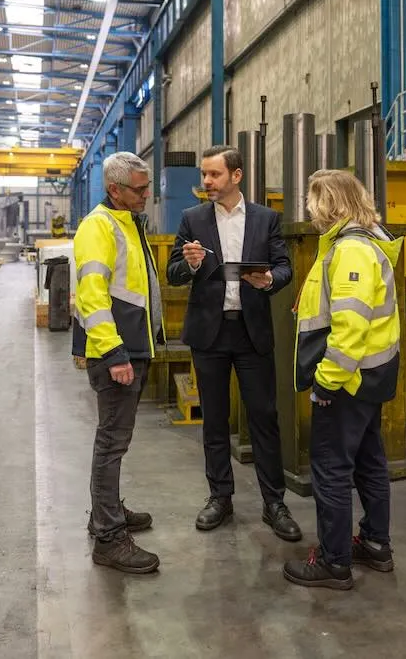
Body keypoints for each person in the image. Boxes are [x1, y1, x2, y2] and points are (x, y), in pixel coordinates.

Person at [166, 145, 302, 542]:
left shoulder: (265, 219)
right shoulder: (192, 219)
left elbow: (284, 268)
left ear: (236, 176)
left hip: (251, 330)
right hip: (209, 334)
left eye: (214, 175)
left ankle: (274, 503)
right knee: (214, 420)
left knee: (264, 417)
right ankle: (219, 497)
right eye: (204, 175)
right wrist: (189, 265)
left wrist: (270, 280)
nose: (206, 182)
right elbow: (174, 272)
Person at [282, 169, 403, 591]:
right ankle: (375, 544)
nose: (309, 209)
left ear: (330, 202)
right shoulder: (362, 243)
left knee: (331, 469)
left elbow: (350, 327)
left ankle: (334, 563)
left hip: (347, 381)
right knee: (370, 463)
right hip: (371, 377)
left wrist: (328, 381)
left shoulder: (351, 250)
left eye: (312, 200)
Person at [72, 151, 165, 574]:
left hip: (131, 348)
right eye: (140, 189)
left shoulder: (127, 223)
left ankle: (105, 513)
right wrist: (113, 353)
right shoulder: (99, 226)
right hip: (118, 354)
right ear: (115, 189)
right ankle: (108, 537)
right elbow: (91, 296)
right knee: (111, 442)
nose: (147, 194)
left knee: (116, 440)